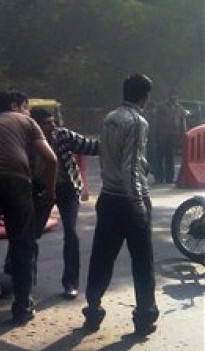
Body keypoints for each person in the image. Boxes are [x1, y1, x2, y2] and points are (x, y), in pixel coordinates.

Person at [0, 90, 57, 325]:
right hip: (16, 182)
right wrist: (50, 191)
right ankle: (22, 306)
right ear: (16, 106)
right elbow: (51, 159)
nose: (27, 110)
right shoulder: (26, 121)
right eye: (25, 106)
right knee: (22, 245)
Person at [82, 74, 159, 337]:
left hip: (108, 197)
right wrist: (138, 203)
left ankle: (92, 308)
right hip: (129, 200)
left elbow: (109, 156)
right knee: (142, 261)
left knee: (102, 257)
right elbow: (130, 167)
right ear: (145, 96)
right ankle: (145, 316)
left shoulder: (110, 117)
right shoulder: (138, 121)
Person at [29, 108, 99, 299]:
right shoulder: (27, 141)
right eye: (46, 123)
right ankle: (26, 283)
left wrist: (112, 142)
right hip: (41, 190)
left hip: (67, 187)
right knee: (30, 235)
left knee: (71, 232)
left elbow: (91, 146)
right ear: (35, 125)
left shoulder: (63, 135)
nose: (52, 126)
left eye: (53, 122)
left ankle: (70, 283)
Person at [152, 91, 187, 183]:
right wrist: (155, 134)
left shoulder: (180, 109)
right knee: (159, 157)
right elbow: (156, 121)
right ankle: (158, 178)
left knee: (170, 158)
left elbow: (183, 123)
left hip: (173, 136)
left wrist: (183, 135)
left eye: (175, 97)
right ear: (169, 97)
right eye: (172, 96)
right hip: (162, 135)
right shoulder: (161, 107)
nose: (174, 99)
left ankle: (169, 178)